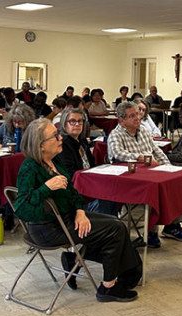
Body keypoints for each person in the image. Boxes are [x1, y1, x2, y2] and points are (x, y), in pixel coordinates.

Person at [14, 118, 141, 302]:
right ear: (40, 145)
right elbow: (22, 208)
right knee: (115, 230)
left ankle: (75, 261)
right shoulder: (30, 167)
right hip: (49, 229)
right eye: (55, 136)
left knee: (115, 224)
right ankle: (110, 286)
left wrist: (80, 212)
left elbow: (72, 191)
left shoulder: (55, 160)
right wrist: (46, 188)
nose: (60, 138)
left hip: (67, 218)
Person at [108, 101, 182, 247]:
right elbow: (117, 153)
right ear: (122, 121)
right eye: (132, 116)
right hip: (132, 178)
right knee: (156, 191)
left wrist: (168, 167)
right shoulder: (116, 134)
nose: (137, 118)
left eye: (138, 114)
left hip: (152, 172)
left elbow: (156, 151)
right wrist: (142, 158)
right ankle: (151, 232)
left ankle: (172, 226)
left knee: (177, 184)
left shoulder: (144, 131)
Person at [56, 109, 119, 215]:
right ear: (64, 124)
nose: (77, 124)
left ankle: (109, 225)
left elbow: (92, 166)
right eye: (72, 121)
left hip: (89, 188)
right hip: (76, 196)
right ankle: (102, 226)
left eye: (80, 121)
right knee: (110, 197)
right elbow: (70, 176)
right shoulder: (63, 145)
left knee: (115, 191)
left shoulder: (82, 143)